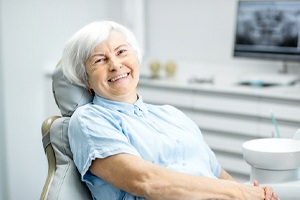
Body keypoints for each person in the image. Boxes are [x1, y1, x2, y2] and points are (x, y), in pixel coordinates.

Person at [61, 20, 279, 200]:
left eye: (121, 52)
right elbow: (146, 182)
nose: (116, 64)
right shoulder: (89, 120)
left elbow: (218, 175)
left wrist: (256, 194)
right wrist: (239, 192)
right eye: (100, 60)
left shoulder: (172, 115)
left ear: (135, 57)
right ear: (85, 79)